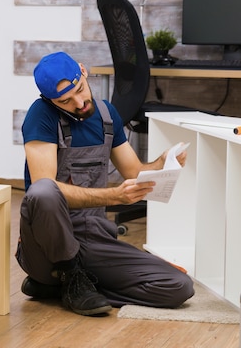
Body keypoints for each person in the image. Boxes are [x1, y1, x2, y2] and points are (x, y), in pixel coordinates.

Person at [15, 51, 194, 316]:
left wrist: (161, 163)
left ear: (84, 71)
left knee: (179, 286)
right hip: (45, 247)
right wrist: (114, 196)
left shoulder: (106, 115)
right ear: (50, 100)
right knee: (43, 190)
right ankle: (68, 275)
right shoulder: (40, 116)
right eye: (65, 101)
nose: (79, 102)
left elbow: (134, 172)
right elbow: (45, 188)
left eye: (80, 90)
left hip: (94, 239)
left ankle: (65, 287)